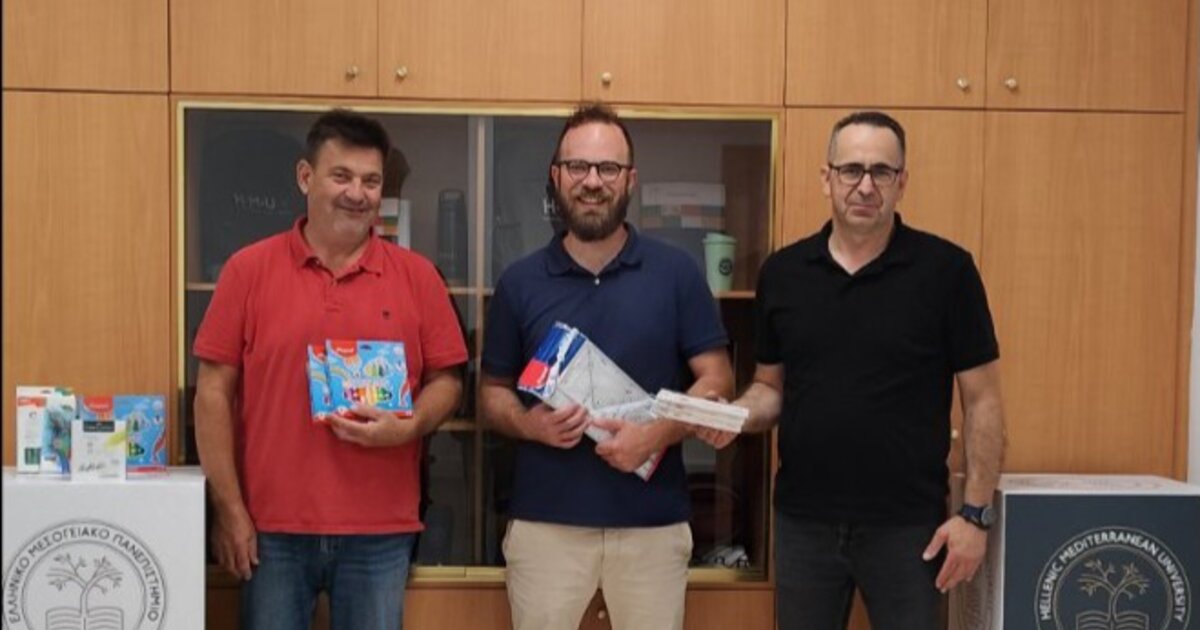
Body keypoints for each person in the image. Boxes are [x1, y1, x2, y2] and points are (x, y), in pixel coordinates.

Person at [698, 110, 1006, 629]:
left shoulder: (947, 272)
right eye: (851, 170)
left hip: (909, 528)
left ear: (902, 182)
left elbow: (984, 400)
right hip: (803, 525)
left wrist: (975, 515)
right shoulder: (783, 273)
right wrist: (733, 416)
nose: (865, 186)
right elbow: (770, 387)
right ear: (827, 178)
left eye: (881, 172)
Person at [193, 108, 468, 630]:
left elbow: (448, 381)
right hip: (271, 528)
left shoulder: (418, 277)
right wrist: (229, 510)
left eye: (371, 181)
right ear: (305, 177)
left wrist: (411, 425)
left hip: (381, 531)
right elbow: (212, 393)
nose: (357, 194)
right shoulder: (247, 270)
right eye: (341, 176)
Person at [479, 102, 735, 630]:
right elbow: (491, 393)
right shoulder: (520, 282)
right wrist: (528, 424)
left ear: (630, 180)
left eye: (608, 168)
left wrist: (655, 434)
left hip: (652, 528)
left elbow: (717, 379)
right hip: (546, 526)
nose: (592, 182)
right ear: (556, 176)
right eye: (578, 166)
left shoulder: (677, 273)